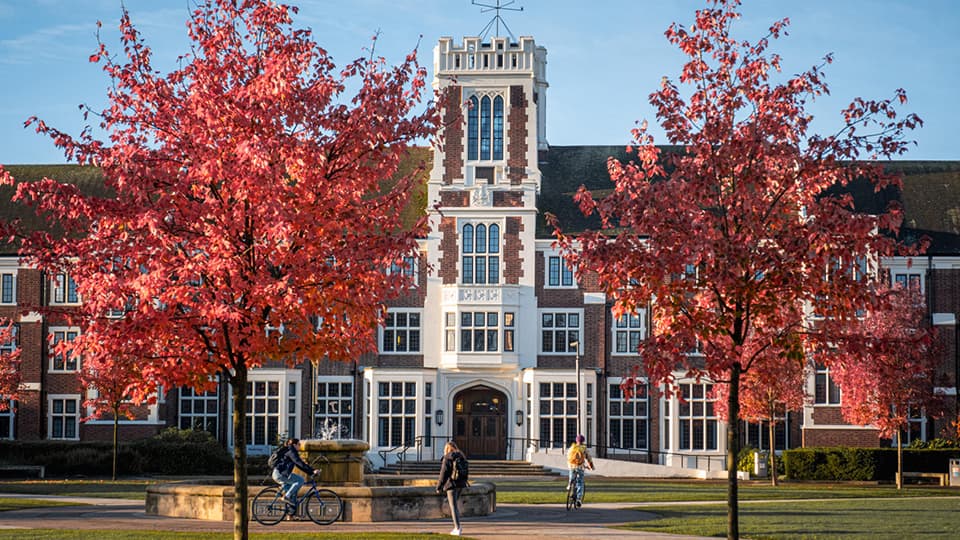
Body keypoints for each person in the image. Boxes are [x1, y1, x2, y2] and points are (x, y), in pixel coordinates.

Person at [271, 438, 318, 505]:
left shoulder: (290, 450)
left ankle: (291, 513)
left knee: (293, 493)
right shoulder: (291, 452)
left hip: (279, 474)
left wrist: (310, 472)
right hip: (280, 474)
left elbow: (299, 465)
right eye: (299, 444)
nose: (300, 446)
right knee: (301, 480)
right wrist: (312, 471)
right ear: (294, 445)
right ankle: (286, 496)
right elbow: (300, 463)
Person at [436, 441, 468, 536]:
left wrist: (439, 486)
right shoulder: (461, 456)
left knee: (453, 506)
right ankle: (457, 526)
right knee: (455, 506)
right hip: (461, 484)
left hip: (451, 484)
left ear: (447, 449)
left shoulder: (447, 458)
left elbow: (443, 474)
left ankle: (457, 528)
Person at [566, 434, 594, 507]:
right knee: (580, 482)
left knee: (571, 475)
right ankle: (578, 499)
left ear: (576, 440)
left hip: (572, 466)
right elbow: (589, 459)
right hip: (580, 467)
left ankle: (570, 484)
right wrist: (591, 467)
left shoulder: (572, 447)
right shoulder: (584, 448)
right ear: (583, 441)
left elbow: (568, 457)